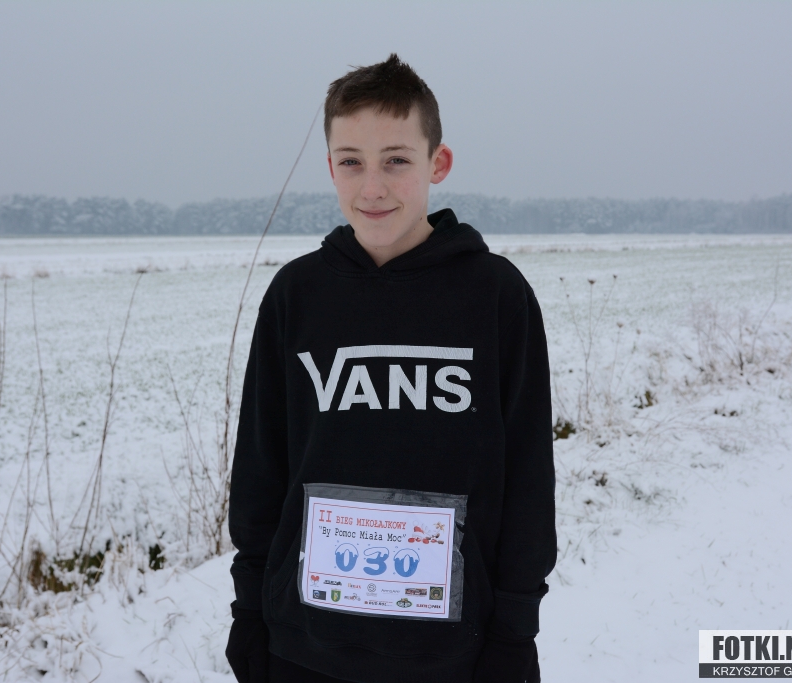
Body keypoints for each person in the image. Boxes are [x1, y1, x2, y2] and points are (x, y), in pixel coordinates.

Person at [226, 53, 556, 683]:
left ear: (438, 163)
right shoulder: (296, 295)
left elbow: (527, 480)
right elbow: (261, 470)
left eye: (396, 160)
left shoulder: (496, 296)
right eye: (351, 161)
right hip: (304, 645)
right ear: (331, 168)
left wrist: (515, 631)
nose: (372, 187)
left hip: (452, 653)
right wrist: (250, 613)